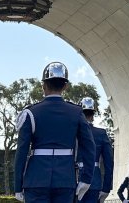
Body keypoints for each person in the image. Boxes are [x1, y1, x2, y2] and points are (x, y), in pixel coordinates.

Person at [14, 62, 97, 203]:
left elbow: (21, 152)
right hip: (65, 179)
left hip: (36, 180)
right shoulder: (77, 113)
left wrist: (17, 186)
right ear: (65, 86)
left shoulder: (31, 113)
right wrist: (86, 179)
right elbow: (89, 147)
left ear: (43, 86)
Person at [79, 98, 114, 203]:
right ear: (93, 115)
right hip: (94, 181)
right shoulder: (101, 134)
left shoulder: (73, 131)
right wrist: (106, 187)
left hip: (75, 180)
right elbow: (109, 164)